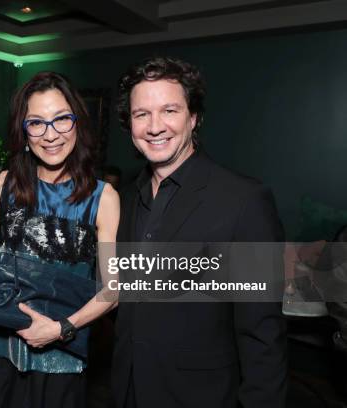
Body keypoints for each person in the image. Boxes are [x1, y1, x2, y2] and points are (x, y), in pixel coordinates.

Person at [112, 57, 287, 408]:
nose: (154, 126)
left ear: (193, 118)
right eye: (141, 114)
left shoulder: (244, 200)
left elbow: (262, 336)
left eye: (170, 110)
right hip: (128, 390)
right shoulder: (127, 198)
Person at [0, 71, 119, 408]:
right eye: (37, 123)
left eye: (61, 120)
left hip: (59, 360)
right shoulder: (3, 186)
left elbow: (114, 290)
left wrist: (62, 328)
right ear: (24, 132)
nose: (51, 135)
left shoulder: (103, 198)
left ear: (77, 124)